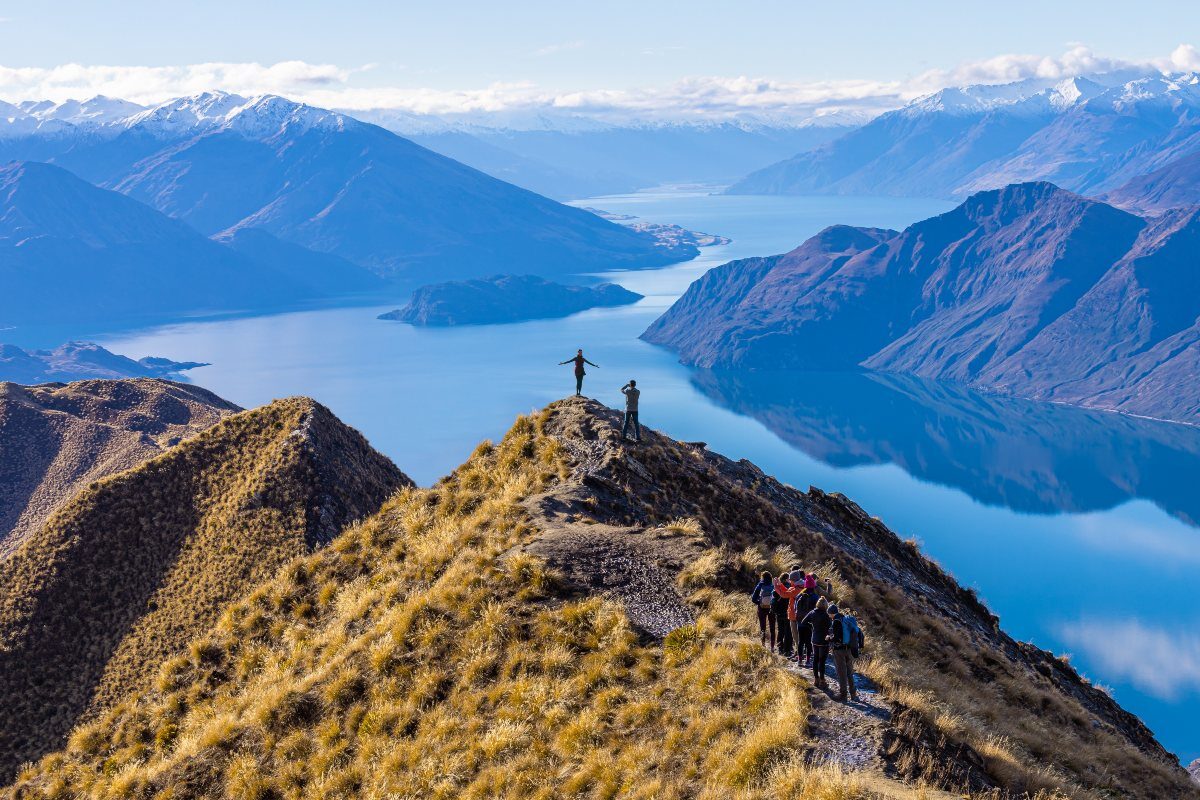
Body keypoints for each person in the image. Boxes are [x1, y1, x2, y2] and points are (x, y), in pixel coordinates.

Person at [828, 604, 859, 702]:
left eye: (829, 614)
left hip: (839, 650)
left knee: (841, 672)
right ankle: (853, 694)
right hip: (849, 648)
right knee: (850, 671)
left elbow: (836, 638)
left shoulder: (836, 621)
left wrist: (829, 638)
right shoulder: (845, 619)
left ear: (831, 613)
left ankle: (843, 695)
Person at [773, 571, 805, 662]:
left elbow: (784, 594)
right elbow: (787, 591)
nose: (789, 581)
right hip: (794, 615)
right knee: (795, 637)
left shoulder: (798, 589)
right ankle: (797, 653)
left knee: (796, 637)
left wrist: (775, 586)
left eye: (790, 580)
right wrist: (780, 585)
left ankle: (799, 656)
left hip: (795, 616)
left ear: (794, 580)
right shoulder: (798, 586)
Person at [801, 596, 832, 688]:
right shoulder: (827, 615)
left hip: (814, 639)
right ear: (826, 605)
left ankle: (816, 679)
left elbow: (803, 622)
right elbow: (831, 628)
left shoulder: (812, 612)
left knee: (815, 660)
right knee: (822, 661)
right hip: (824, 640)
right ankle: (822, 680)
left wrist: (812, 627)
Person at [795, 577, 820, 667]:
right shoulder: (815, 597)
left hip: (800, 621)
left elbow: (795, 608)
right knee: (808, 641)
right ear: (813, 586)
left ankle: (800, 660)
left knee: (801, 641)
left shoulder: (799, 596)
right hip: (810, 622)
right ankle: (808, 661)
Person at [749, 571, 776, 649]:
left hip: (761, 608)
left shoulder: (760, 585)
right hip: (772, 608)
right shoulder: (773, 586)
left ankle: (763, 645)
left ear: (762, 577)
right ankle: (772, 646)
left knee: (762, 627)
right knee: (772, 627)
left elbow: (753, 599)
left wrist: (759, 603)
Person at [772, 574, 793, 657]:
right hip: (787, 613)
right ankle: (787, 650)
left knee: (780, 631)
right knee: (788, 632)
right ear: (787, 579)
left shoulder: (776, 589)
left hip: (778, 612)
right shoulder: (789, 588)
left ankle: (780, 648)